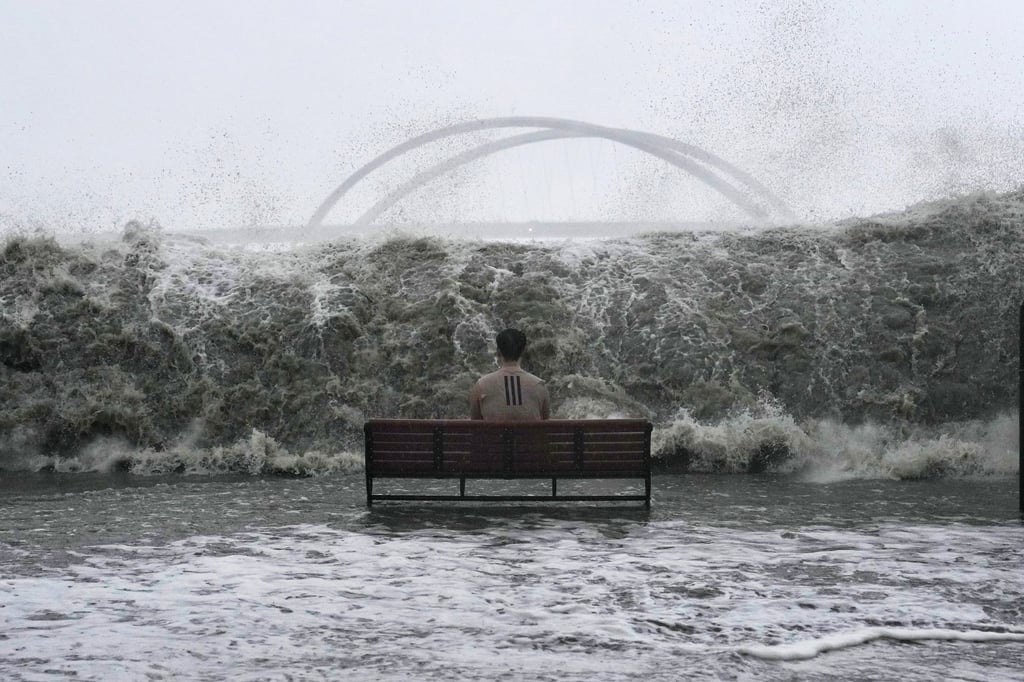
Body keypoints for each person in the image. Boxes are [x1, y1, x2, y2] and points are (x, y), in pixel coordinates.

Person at [470, 328, 551, 421]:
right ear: (523, 351)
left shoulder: (481, 385)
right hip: (529, 436)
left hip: (493, 436)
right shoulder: (539, 386)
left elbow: (475, 425)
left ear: (498, 351)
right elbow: (545, 423)